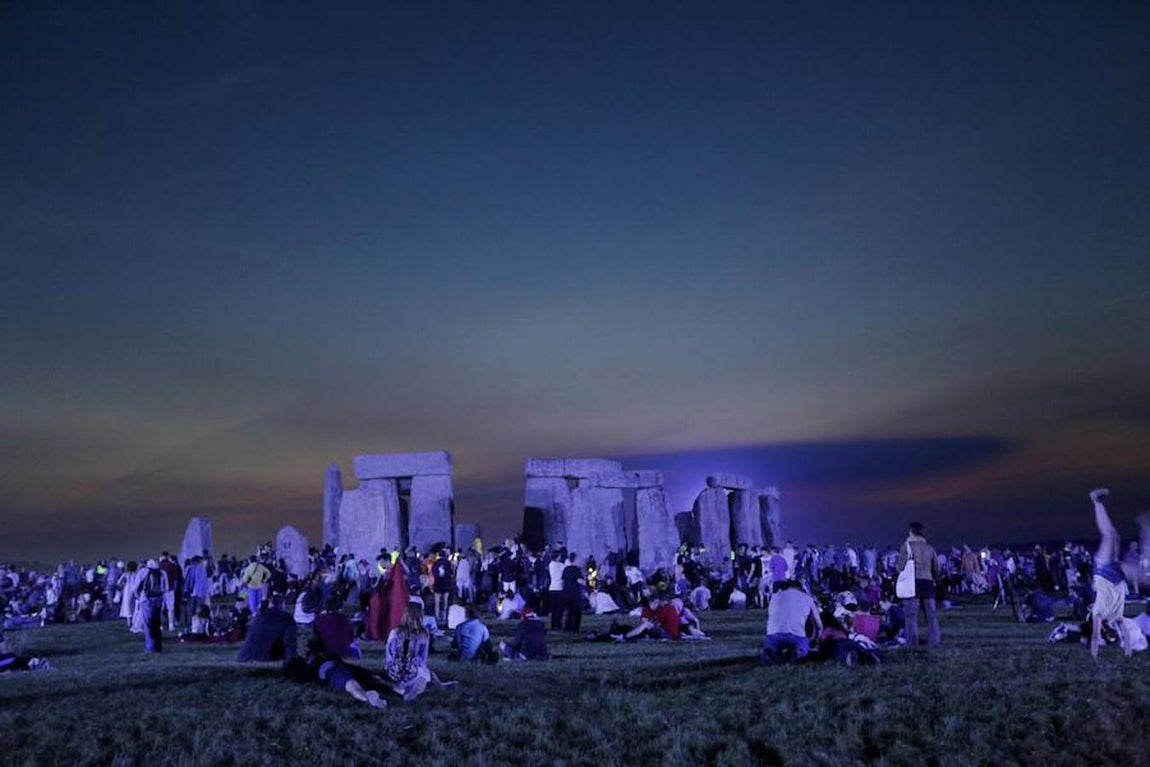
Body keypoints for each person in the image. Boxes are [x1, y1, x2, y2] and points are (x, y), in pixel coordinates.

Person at [1088, 489, 1132, 658]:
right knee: (1115, 536)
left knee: (1109, 536)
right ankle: (1098, 502)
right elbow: (1126, 635)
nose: (1110, 630)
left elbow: (1094, 637)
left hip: (1103, 570)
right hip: (1116, 574)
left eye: (1108, 633)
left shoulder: (1098, 615)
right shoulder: (1117, 617)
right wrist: (1128, 653)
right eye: (1114, 633)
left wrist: (1094, 658)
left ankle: (1095, 501)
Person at [894, 522, 941, 648]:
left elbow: (900, 567)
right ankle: (935, 642)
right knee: (931, 616)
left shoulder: (906, 546)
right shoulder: (930, 547)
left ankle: (912, 643)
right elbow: (936, 568)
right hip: (928, 582)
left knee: (911, 615)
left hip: (913, 583)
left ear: (911, 532)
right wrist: (933, 578)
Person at [761, 580, 822, 663]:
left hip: (773, 634)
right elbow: (819, 626)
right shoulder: (807, 598)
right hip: (797, 635)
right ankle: (797, 652)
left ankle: (773, 652)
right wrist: (814, 641)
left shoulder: (774, 597)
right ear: (800, 588)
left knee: (772, 646)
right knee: (802, 648)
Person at [384, 602, 433, 701]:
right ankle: (412, 689)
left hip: (393, 672)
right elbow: (423, 660)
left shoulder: (395, 632)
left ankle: (400, 689)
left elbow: (389, 653)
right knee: (425, 675)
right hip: (412, 672)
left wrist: (388, 666)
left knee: (395, 680)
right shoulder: (423, 634)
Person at [136, 559, 168, 654]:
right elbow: (166, 588)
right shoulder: (162, 573)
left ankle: (149, 647)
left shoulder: (143, 572)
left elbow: (135, 587)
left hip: (146, 599)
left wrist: (138, 597)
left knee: (147, 624)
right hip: (159, 599)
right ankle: (158, 647)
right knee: (157, 623)